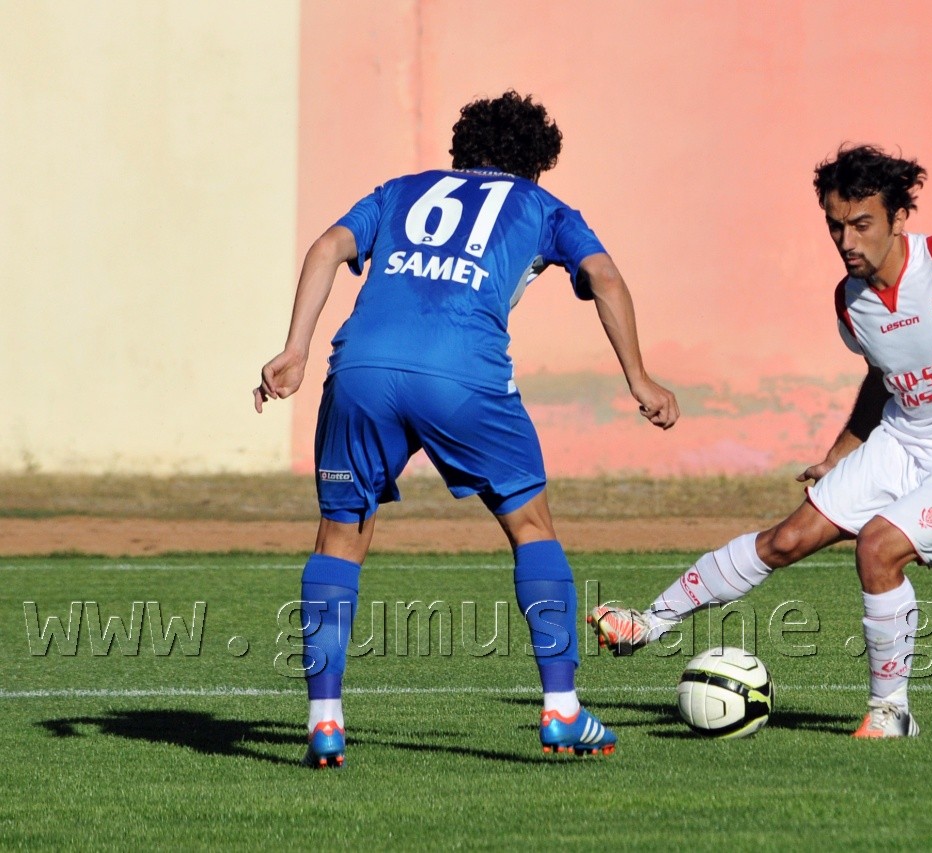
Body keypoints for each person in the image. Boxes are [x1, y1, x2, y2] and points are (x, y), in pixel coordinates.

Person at [589, 144, 932, 738]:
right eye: (835, 225)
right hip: (903, 444)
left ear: (898, 218)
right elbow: (883, 377)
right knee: (786, 540)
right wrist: (840, 452)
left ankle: (891, 711)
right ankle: (647, 623)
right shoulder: (850, 303)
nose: (847, 239)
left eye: (861, 224)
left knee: (878, 547)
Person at [254, 91, 679, 767]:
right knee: (531, 527)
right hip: (463, 374)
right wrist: (639, 377)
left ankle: (325, 721)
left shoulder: (399, 190)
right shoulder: (541, 207)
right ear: (536, 165)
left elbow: (329, 246)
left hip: (360, 364)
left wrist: (296, 347)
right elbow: (604, 275)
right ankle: (563, 710)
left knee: (339, 535)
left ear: (461, 152)